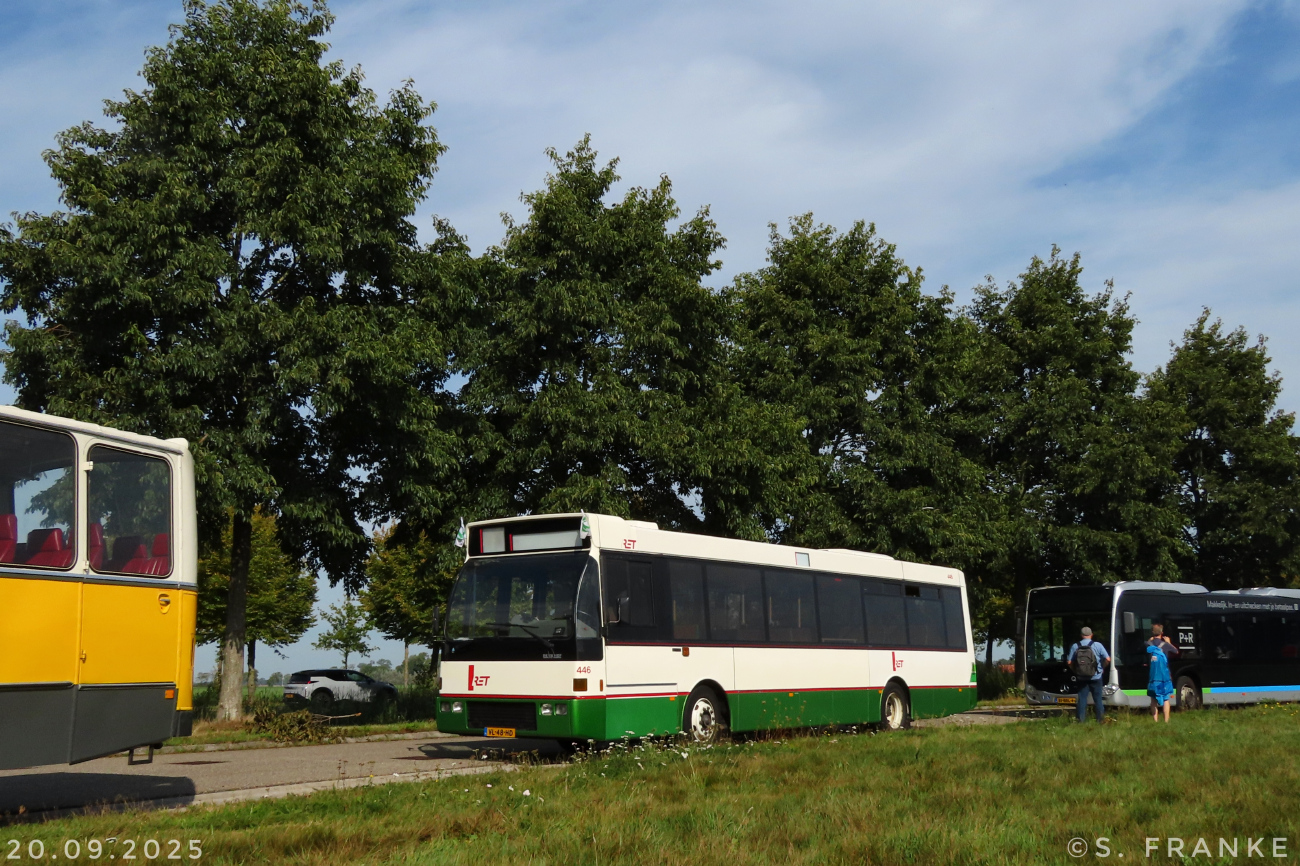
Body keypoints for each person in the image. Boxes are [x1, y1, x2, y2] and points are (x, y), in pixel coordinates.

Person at [1067, 626, 1111, 723]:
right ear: (1091, 635)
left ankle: (1081, 720)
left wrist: (1076, 671)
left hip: (1081, 678)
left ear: (1081, 635)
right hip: (1096, 676)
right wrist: (1102, 669)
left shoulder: (1075, 646)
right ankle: (1100, 720)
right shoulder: (1097, 645)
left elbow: (1069, 662)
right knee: (1098, 699)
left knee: (1082, 699)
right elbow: (1108, 659)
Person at [1147, 643, 1174, 722]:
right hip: (1164, 679)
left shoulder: (1150, 648)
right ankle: (1166, 720)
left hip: (1153, 679)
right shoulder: (1165, 645)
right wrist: (1168, 642)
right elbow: (1176, 651)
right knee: (1166, 698)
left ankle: (1155, 720)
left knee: (1153, 700)